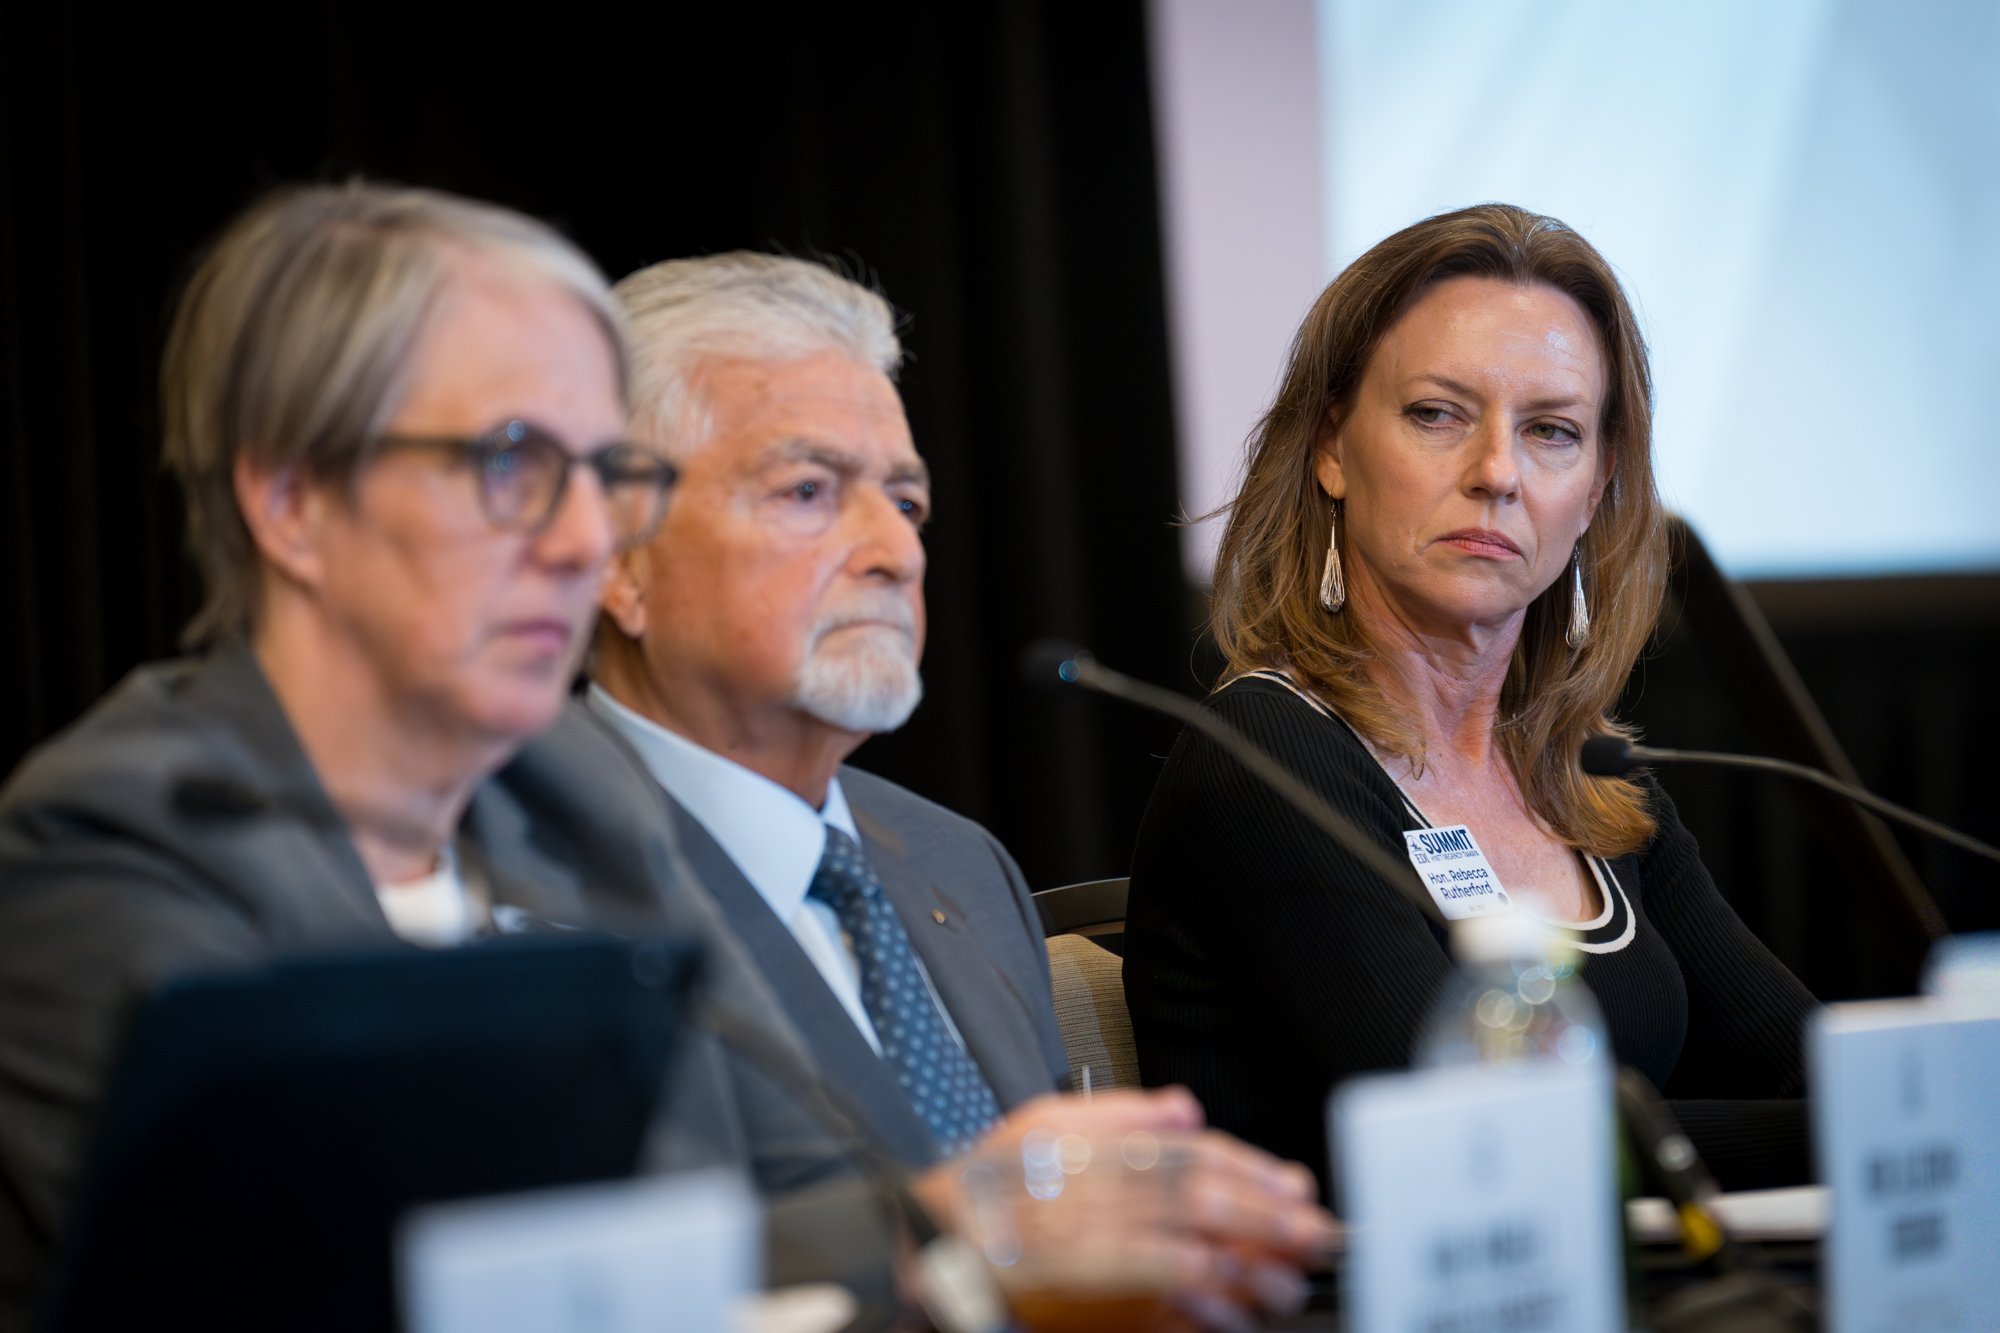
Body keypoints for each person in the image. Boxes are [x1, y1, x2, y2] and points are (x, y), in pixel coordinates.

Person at [0, 184, 902, 1328]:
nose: (584, 541)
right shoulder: (110, 840)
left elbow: (810, 1190)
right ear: (292, 501)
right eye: (511, 461)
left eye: (605, 474)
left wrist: (985, 1214)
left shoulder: (573, 792)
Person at [589, 251, 1338, 1326]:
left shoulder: (957, 862)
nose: (893, 550)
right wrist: (947, 1240)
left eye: (905, 501)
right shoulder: (510, 868)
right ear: (616, 554)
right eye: (807, 491)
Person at [1123, 203, 1820, 1197]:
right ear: (1330, 447)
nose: (1496, 473)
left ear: (1594, 491)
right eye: (1436, 414)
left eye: (1551, 431)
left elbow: (1818, 1072)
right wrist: (1854, 1129)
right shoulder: (1267, 757)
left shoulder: (1590, 784)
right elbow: (1494, 1144)